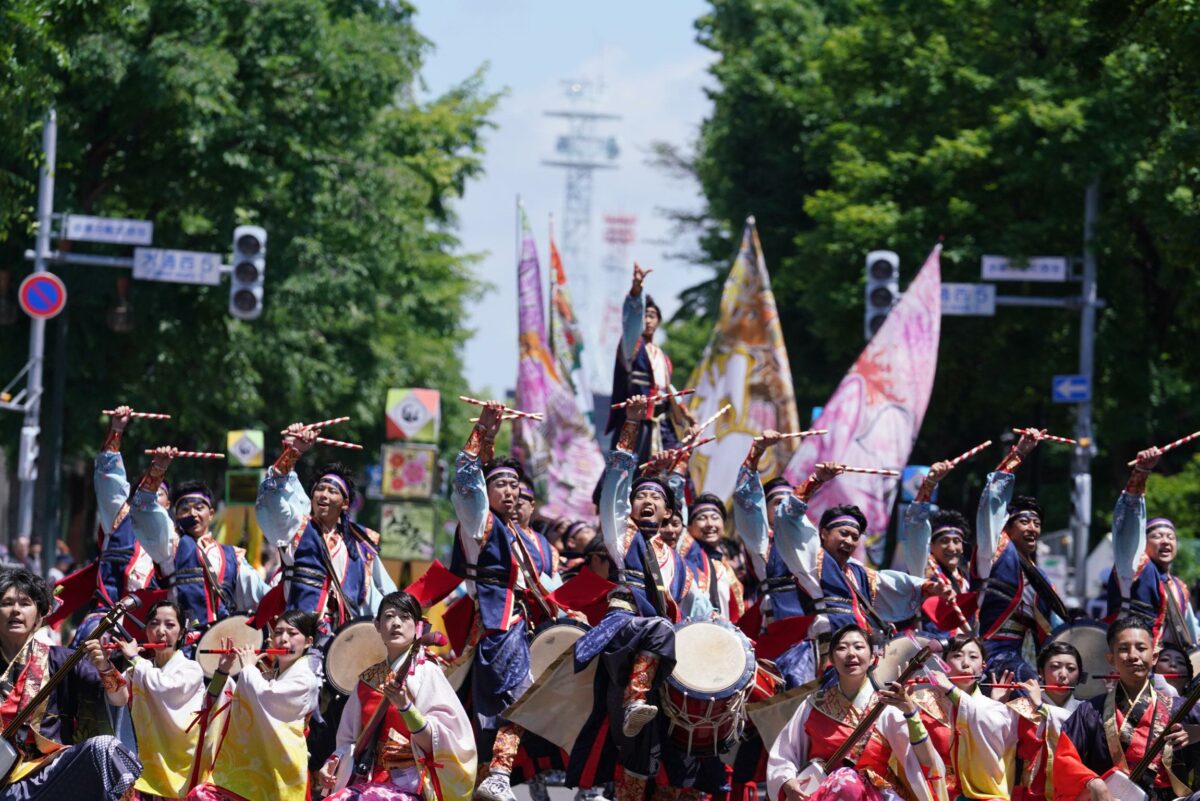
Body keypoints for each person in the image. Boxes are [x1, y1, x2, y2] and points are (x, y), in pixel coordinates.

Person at [449, 402, 557, 801]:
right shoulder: (480, 523)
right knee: (518, 699)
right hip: (499, 626)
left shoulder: (522, 537)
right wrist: (485, 436)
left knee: (507, 707)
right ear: (486, 492)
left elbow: (538, 586)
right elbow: (465, 483)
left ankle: (489, 778)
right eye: (500, 485)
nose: (510, 492)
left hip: (517, 627)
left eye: (514, 485)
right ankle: (498, 772)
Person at [772, 465, 952, 682]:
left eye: (855, 536)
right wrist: (817, 479)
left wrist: (929, 587)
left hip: (862, 656)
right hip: (826, 655)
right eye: (843, 533)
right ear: (824, 533)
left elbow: (898, 583)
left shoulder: (859, 573)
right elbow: (788, 518)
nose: (849, 541)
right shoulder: (812, 559)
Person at [319, 591, 476, 801]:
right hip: (367, 779)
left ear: (418, 625)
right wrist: (334, 761)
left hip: (411, 787)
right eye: (389, 616)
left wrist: (406, 708)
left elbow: (442, 742)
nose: (396, 623)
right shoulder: (367, 680)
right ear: (377, 625)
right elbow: (348, 740)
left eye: (405, 617)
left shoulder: (426, 672)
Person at [0, 567, 141, 801]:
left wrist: (105, 667)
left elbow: (120, 698)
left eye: (25, 603)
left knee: (105, 749)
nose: (15, 610)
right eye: (6, 603)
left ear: (40, 614)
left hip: (47, 773)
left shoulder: (62, 660)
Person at [256, 425, 396, 630]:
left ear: (345, 503)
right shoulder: (297, 528)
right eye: (319, 489)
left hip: (343, 636)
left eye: (332, 491)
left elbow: (380, 592)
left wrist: (400, 616)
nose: (323, 495)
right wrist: (292, 452)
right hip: (297, 634)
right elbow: (273, 499)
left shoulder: (360, 544)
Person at [1053, 617, 1200, 801]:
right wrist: (1092, 782)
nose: (1133, 655)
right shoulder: (1090, 711)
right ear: (1111, 659)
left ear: (1154, 657)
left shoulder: (1181, 708)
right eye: (1123, 649)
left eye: (1141, 648)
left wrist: (1196, 732)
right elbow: (1064, 759)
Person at [187, 610, 322, 801]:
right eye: (278, 632)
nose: (283, 639)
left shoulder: (305, 678)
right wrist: (223, 671)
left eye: (292, 633)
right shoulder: (268, 677)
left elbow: (266, 695)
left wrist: (249, 667)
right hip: (251, 774)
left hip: (282, 771)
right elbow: (226, 701)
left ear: (308, 641)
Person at [130, 448, 267, 627]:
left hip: (221, 642)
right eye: (185, 508)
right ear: (175, 515)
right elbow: (144, 511)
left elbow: (262, 596)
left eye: (199, 507)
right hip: (180, 642)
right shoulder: (169, 546)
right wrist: (158, 468)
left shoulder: (232, 555)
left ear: (211, 514)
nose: (193, 513)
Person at [974, 429, 1066, 680]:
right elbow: (990, 508)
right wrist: (1019, 454)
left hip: (1029, 653)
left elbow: (1055, 625)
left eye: (1037, 523)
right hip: (990, 651)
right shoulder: (997, 550)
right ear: (1006, 527)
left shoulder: (1040, 576)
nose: (1033, 528)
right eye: (1024, 521)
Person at [767, 625, 894, 801]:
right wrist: (787, 781)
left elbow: (912, 765)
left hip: (874, 796)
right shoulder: (815, 705)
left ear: (873, 657)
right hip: (822, 794)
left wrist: (911, 713)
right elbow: (784, 753)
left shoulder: (888, 707)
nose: (850, 653)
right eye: (842, 648)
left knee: (847, 782)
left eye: (858, 647)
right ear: (832, 660)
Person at [110, 599, 205, 800]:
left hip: (181, 769)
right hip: (146, 767)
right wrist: (104, 666)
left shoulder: (191, 669)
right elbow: (117, 698)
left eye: (170, 625)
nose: (161, 631)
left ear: (181, 633)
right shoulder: (139, 669)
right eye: (154, 624)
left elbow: (165, 687)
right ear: (146, 631)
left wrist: (136, 659)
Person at [1108, 447, 1199, 649]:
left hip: (1163, 664)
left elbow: (1193, 636)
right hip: (1125, 657)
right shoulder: (1133, 565)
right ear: (1143, 542)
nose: (1165, 541)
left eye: (1170, 537)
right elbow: (1130, 526)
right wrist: (1141, 472)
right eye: (1157, 536)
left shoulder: (1179, 587)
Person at [606, 263, 695, 463]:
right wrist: (637, 291)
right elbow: (631, 323)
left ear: (658, 321)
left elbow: (666, 388)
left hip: (661, 426)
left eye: (652, 316)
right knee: (627, 470)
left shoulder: (663, 357)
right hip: (636, 423)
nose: (647, 320)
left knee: (670, 472)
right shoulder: (631, 347)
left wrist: (686, 413)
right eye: (644, 315)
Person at [1006, 642, 1083, 801]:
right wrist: (995, 703)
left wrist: (1040, 706)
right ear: (1041, 671)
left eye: (1071, 668)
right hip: (1029, 795)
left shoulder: (1085, 710)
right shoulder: (1021, 708)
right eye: (1055, 667)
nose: (1063, 675)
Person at [677, 493, 744, 621]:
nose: (710, 524)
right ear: (689, 526)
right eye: (702, 518)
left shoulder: (722, 563)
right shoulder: (689, 553)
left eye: (715, 517)